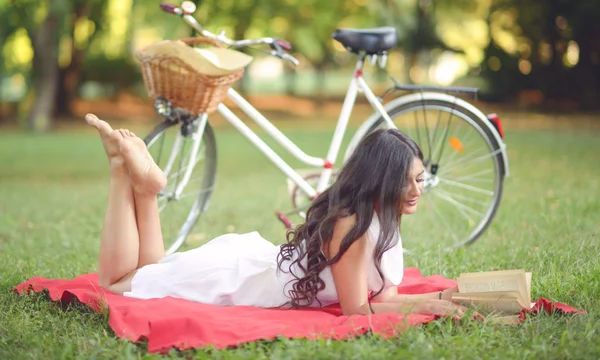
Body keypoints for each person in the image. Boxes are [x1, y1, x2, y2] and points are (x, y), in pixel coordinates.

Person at [86, 113, 464, 317]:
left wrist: (445, 296)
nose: (416, 191)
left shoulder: (383, 218)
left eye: (419, 179)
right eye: (405, 182)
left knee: (151, 272)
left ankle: (148, 192)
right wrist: (427, 305)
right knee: (116, 283)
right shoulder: (352, 224)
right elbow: (357, 310)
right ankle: (121, 170)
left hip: (254, 267)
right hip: (239, 281)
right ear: (379, 181)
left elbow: (385, 295)